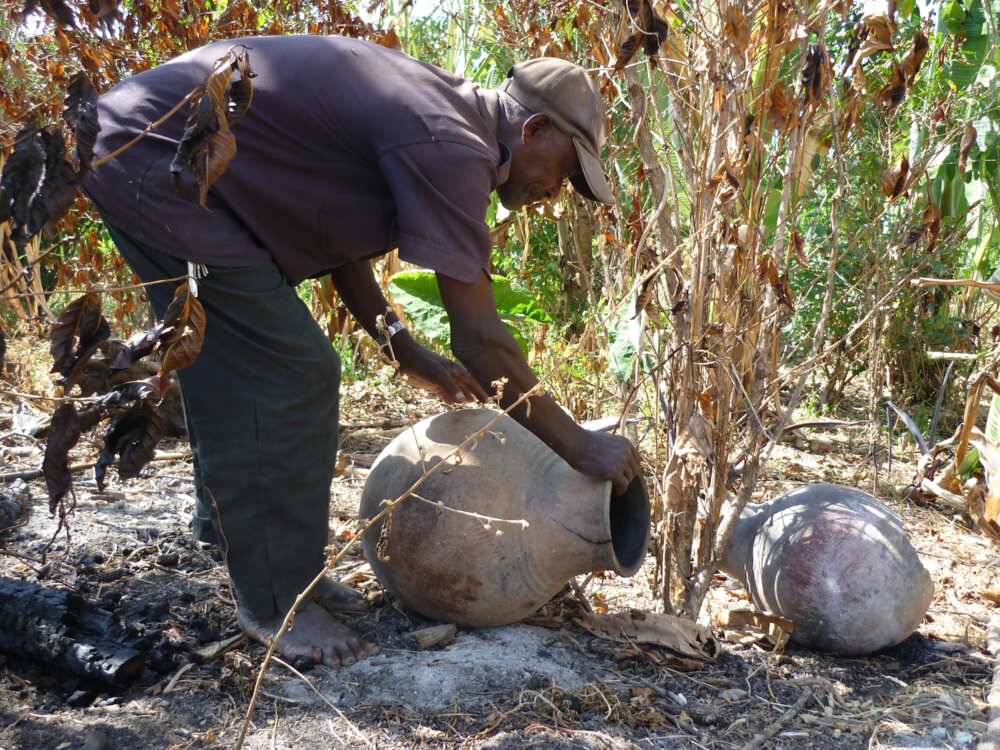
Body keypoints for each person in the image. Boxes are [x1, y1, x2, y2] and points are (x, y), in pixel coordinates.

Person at [82, 35, 643, 668]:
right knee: (293, 372)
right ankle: (274, 601)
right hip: (155, 159)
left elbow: (343, 241)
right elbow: (482, 340)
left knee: (231, 356)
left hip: (152, 154)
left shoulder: (446, 124)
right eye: (566, 170)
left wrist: (402, 349)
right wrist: (579, 445)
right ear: (535, 127)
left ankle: (247, 542)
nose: (558, 189)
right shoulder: (454, 146)